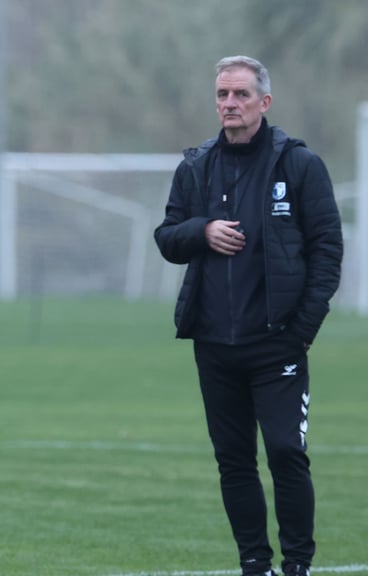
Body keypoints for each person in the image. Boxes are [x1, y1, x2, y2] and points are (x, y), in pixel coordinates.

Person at [154, 56, 342, 576]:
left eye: (240, 94)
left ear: (265, 102)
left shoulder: (300, 166)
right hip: (214, 345)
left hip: (278, 343)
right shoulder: (196, 166)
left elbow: (328, 251)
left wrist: (302, 331)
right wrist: (203, 230)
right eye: (222, 95)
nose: (229, 104)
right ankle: (254, 563)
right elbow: (168, 238)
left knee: (285, 452)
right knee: (234, 462)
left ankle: (298, 565)